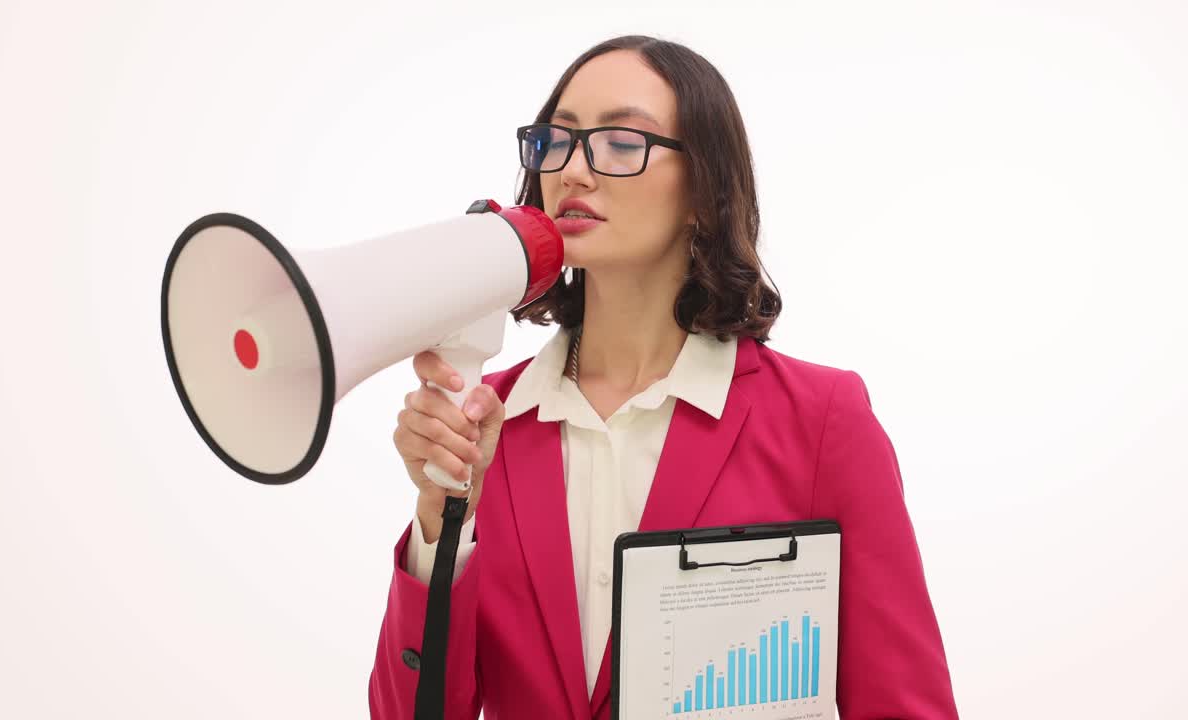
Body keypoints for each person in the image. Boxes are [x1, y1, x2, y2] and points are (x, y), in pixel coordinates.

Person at [368, 34, 959, 720]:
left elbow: (904, 705)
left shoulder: (821, 419)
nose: (573, 173)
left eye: (621, 142)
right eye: (556, 141)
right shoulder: (483, 419)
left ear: (704, 193)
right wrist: (440, 525)